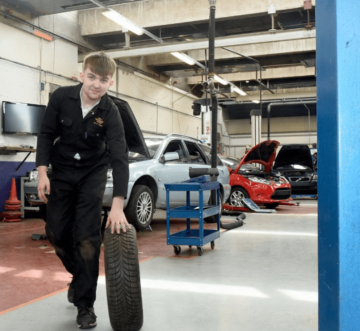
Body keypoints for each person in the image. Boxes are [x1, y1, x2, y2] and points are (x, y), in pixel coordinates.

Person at [36, 52, 130, 329]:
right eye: (91, 77)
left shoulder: (111, 112)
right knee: (57, 233)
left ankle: (85, 305)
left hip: (92, 173)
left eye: (103, 80)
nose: (96, 84)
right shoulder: (61, 98)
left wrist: (117, 204)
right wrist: (42, 172)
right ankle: (80, 280)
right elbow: (45, 134)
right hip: (62, 170)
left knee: (88, 239)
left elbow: (120, 157)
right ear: (81, 75)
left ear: (110, 82)